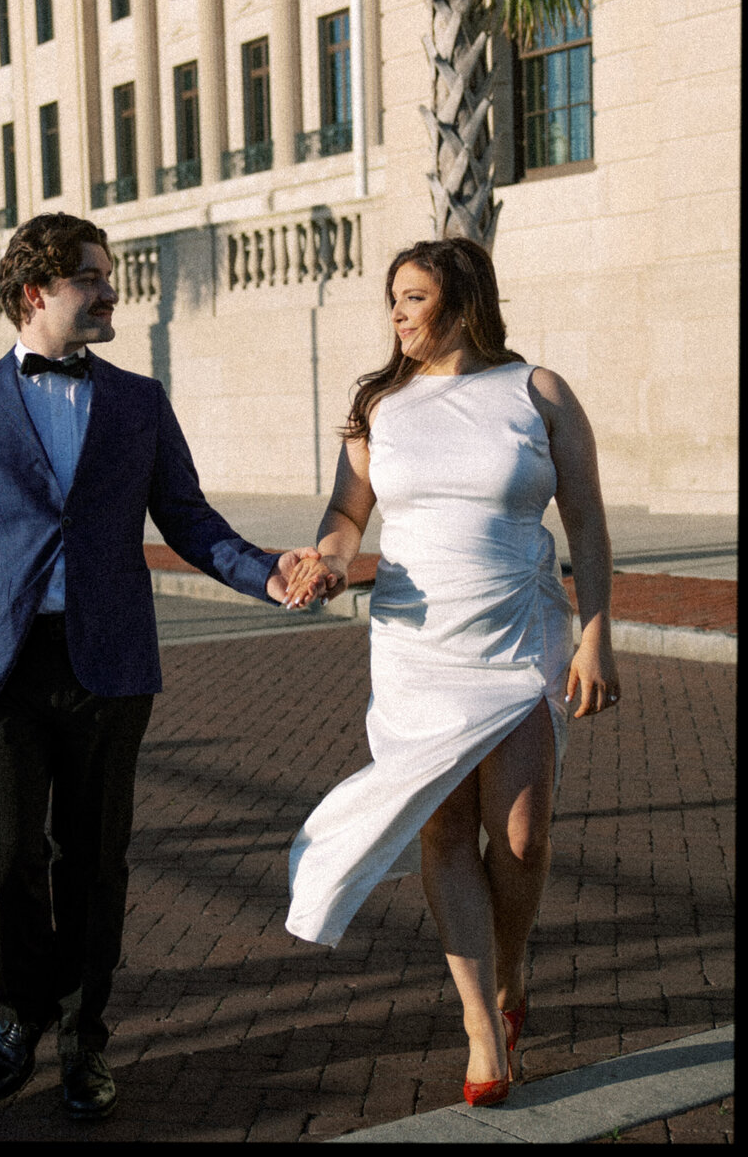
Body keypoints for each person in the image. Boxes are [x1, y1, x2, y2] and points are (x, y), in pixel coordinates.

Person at [0, 212, 327, 1121]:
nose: (110, 290)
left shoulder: (139, 401)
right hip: (4, 668)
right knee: (6, 857)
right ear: (34, 293)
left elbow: (191, 520)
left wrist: (268, 573)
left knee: (94, 861)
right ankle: (20, 1016)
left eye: (107, 274)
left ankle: (88, 1037)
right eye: (92, 277)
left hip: (110, 666)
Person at [285, 237, 620, 1106]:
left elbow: (583, 516)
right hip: (416, 646)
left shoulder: (537, 392)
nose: (396, 315)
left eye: (413, 298)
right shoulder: (378, 404)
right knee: (444, 833)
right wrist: (327, 560)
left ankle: (509, 976)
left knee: (520, 837)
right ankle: (481, 1026)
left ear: (462, 300)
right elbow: (346, 513)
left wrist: (597, 633)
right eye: (391, 300)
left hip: (519, 637)